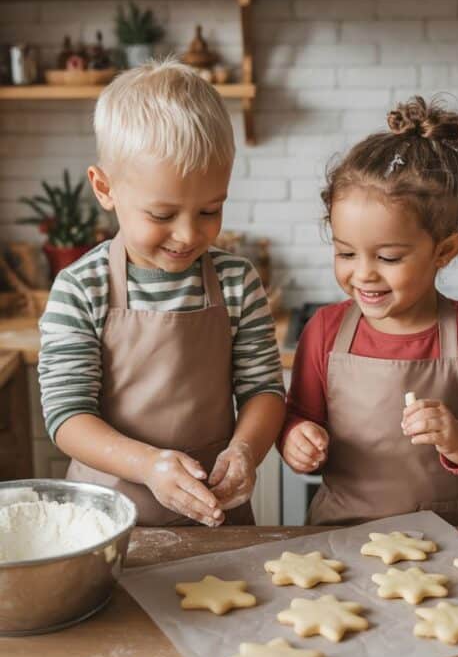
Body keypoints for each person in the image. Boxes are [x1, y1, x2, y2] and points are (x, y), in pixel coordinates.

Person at [39, 60, 285, 527]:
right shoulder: (79, 288)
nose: (189, 234)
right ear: (104, 188)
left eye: (211, 210)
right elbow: (68, 417)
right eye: (161, 214)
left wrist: (245, 451)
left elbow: (264, 391)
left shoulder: (237, 282)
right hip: (108, 523)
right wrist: (148, 466)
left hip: (216, 521)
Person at [278, 95, 458, 526]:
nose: (363, 275)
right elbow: (299, 417)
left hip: (454, 538)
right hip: (342, 534)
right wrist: (295, 440)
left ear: (444, 251)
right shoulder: (325, 330)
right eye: (345, 253)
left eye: (388, 258)